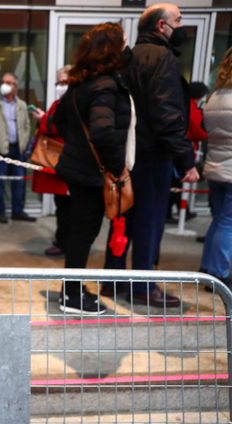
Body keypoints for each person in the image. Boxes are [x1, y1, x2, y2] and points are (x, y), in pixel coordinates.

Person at [102, 3, 199, 307]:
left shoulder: (128, 58)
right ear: (161, 26)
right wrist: (186, 159)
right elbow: (167, 115)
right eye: (178, 20)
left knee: (123, 219)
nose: (181, 26)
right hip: (153, 155)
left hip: (128, 155)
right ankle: (143, 287)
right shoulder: (163, 59)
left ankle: (112, 281)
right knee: (149, 222)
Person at [53, 23, 131, 315]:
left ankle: (71, 290)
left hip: (80, 169)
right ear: (111, 49)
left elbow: (58, 119)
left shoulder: (81, 83)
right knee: (83, 234)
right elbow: (101, 132)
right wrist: (114, 167)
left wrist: (77, 147)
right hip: (91, 173)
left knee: (80, 233)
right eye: (123, 43)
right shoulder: (105, 83)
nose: (127, 49)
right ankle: (71, 297)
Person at [0, 73, 35, 224]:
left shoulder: (21, 105)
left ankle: (18, 211)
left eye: (8, 82)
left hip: (18, 150)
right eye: (3, 82)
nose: (4, 85)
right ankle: (0, 212)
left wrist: (24, 142)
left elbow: (27, 126)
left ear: (15, 86)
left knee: (19, 182)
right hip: (1, 150)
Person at [199, 47, 232, 288]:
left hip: (215, 167)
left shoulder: (215, 97)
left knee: (219, 219)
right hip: (230, 170)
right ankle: (219, 275)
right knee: (228, 222)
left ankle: (207, 269)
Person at [31, 65, 72, 257]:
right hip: (60, 162)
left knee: (68, 208)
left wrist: (44, 119)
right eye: (58, 82)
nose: (60, 86)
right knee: (62, 205)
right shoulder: (61, 102)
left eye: (64, 82)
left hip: (69, 162)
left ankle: (65, 243)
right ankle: (62, 240)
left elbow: (62, 125)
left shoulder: (74, 102)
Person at [166, 82, 209, 224]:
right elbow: (201, 134)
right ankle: (173, 212)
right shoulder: (193, 110)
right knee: (178, 183)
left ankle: (178, 211)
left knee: (175, 183)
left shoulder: (179, 105)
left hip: (174, 149)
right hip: (185, 151)